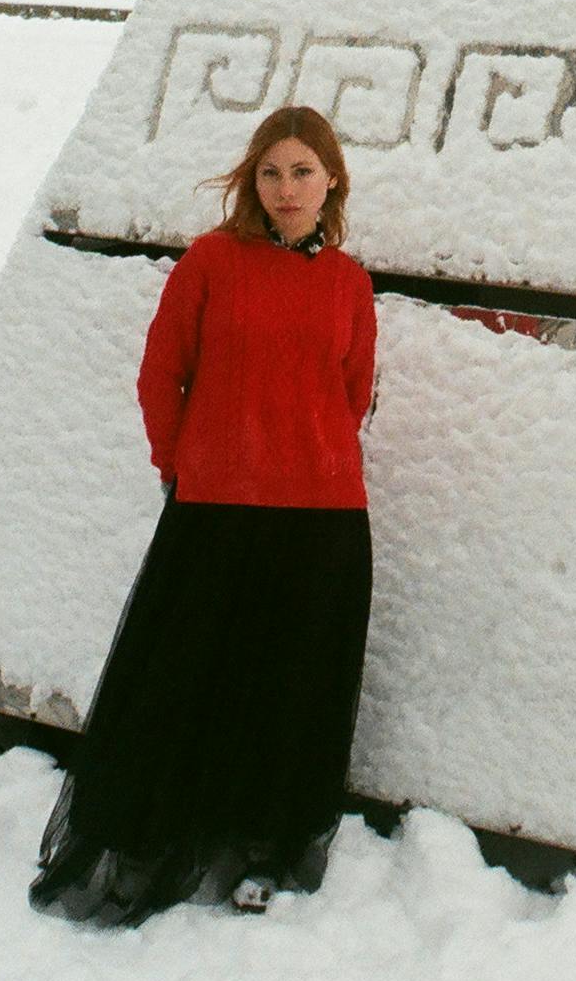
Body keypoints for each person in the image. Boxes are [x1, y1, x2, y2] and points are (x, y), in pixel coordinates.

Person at [29, 104, 377, 927]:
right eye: (270, 171)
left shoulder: (350, 283)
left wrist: (306, 450)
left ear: (331, 181)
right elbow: (161, 376)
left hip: (323, 517)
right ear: (251, 181)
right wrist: (179, 462)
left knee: (290, 687)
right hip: (215, 508)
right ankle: (151, 838)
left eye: (301, 171)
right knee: (184, 677)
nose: (285, 188)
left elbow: (353, 394)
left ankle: (267, 843)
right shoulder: (212, 263)